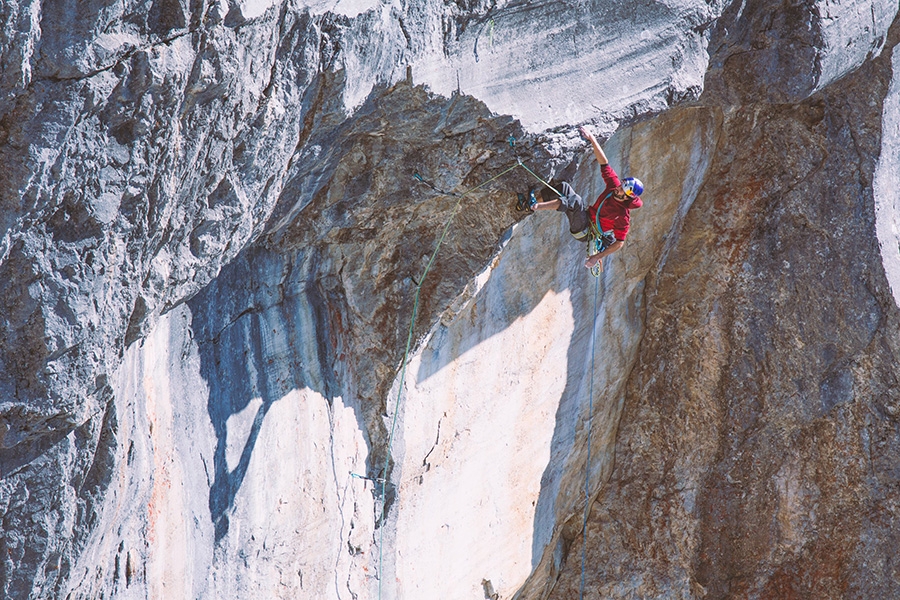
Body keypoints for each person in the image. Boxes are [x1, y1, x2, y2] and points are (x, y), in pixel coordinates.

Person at [527, 126, 643, 273]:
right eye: (621, 185)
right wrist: (591, 139)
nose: (618, 188)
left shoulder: (622, 216)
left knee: (574, 202)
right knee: (563, 188)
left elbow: (620, 243)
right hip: (586, 218)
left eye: (621, 190)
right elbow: (604, 163)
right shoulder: (614, 187)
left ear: (626, 197)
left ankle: (535, 206)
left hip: (585, 231)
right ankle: (530, 203)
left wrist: (597, 257)